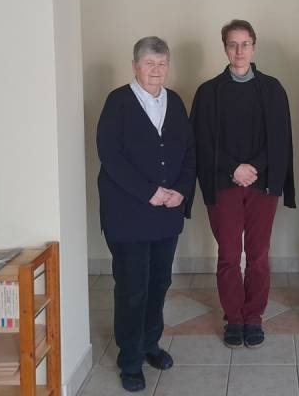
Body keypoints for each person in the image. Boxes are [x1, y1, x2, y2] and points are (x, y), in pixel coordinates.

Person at [96, 36, 196, 392]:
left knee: (159, 283)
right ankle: (130, 360)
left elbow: (189, 151)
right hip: (129, 215)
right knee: (132, 289)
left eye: (162, 63)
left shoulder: (176, 101)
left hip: (167, 214)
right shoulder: (118, 102)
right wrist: (149, 192)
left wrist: (181, 191)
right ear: (135, 66)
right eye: (149, 63)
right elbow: (110, 156)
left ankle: (151, 344)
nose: (156, 70)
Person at [191, 19, 295, 349]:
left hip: (262, 186)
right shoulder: (208, 92)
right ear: (224, 47)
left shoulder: (272, 89)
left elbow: (280, 138)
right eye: (232, 44)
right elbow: (201, 141)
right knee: (229, 254)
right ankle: (234, 318)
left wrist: (255, 168)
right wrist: (233, 169)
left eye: (245, 44)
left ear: (253, 46)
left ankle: (253, 317)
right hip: (223, 184)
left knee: (258, 255)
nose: (239, 51)